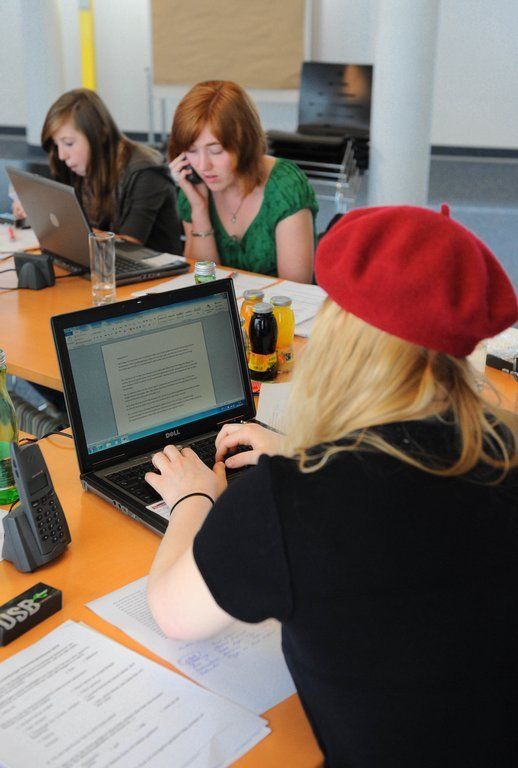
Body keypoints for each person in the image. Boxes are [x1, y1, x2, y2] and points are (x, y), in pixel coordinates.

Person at [145, 204, 518, 767]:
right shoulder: (502, 449)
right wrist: (296, 453)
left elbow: (174, 614)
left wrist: (193, 498)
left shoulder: (294, 502)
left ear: (342, 342)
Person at [168, 80, 318, 282]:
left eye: (216, 150)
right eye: (192, 151)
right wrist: (199, 210)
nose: (203, 166)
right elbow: (202, 283)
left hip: (275, 302)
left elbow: (295, 288)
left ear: (245, 142)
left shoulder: (285, 185)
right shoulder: (193, 187)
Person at [14, 88, 182, 254]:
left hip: (149, 266)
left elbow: (129, 245)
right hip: (101, 262)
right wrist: (36, 210)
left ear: (100, 134)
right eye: (57, 144)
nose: (62, 155)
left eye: (69, 143)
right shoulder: (73, 166)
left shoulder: (145, 171)